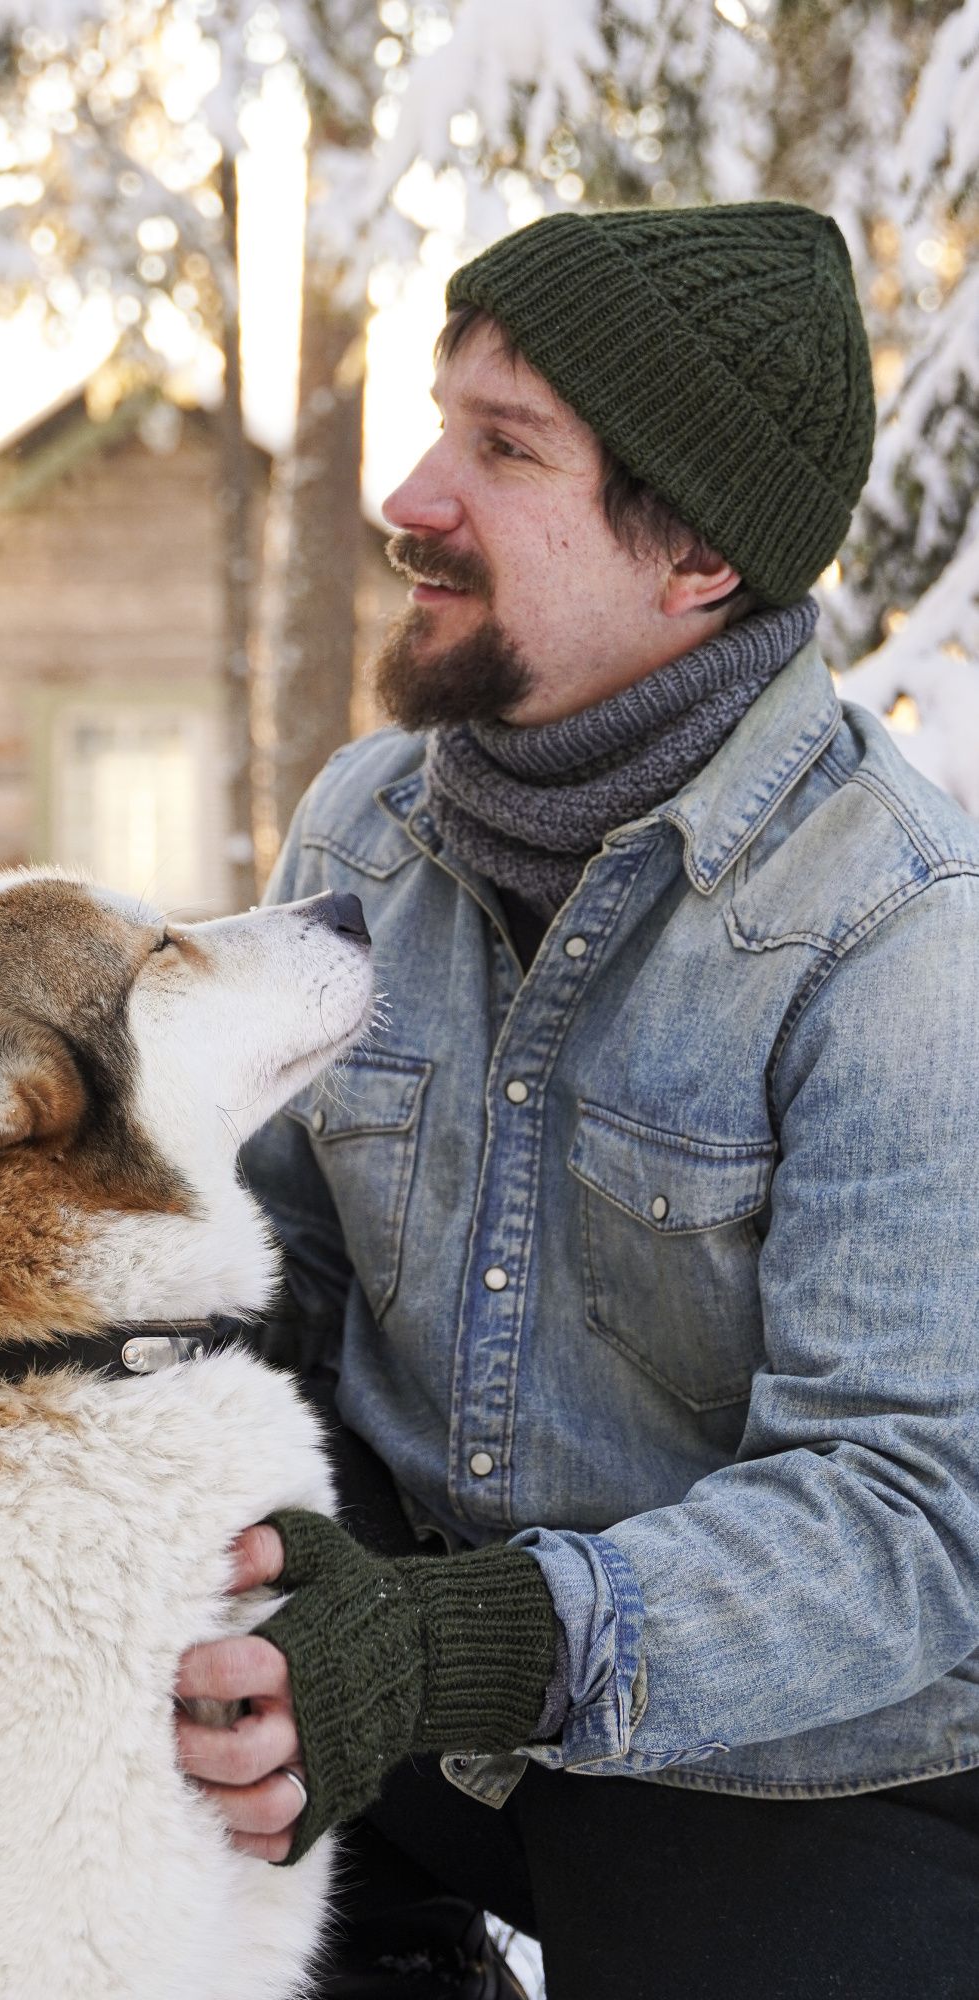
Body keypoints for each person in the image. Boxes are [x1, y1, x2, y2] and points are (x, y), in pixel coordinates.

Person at [173, 201, 979, 1998]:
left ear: (693, 553)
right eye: (438, 423)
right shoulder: (367, 824)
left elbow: (909, 1517)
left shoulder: (900, 932)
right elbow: (281, 1273)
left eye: (505, 448)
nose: (411, 496)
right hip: (389, 1670)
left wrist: (457, 1643)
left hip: (790, 1767)